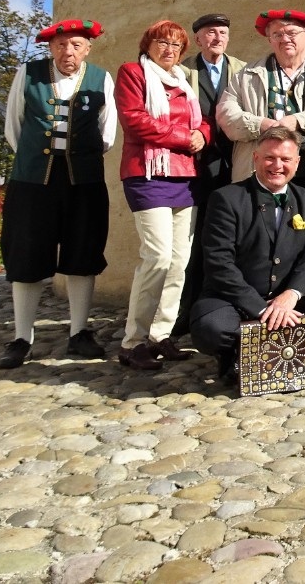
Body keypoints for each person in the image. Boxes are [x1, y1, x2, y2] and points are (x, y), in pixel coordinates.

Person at [190, 127, 305, 386]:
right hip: (236, 299)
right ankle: (235, 353)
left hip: (285, 296)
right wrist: (262, 308)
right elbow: (219, 264)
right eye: (270, 158)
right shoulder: (226, 198)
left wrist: (292, 294)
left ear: (296, 162)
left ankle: (297, 338)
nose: (277, 166)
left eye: (285, 159)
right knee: (210, 328)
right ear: (255, 158)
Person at [0, 19, 117, 369]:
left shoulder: (101, 78)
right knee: (27, 255)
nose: (69, 51)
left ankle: (79, 333)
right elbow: (14, 127)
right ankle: (22, 338)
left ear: (88, 49)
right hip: (33, 182)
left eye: (76, 45)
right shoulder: (29, 74)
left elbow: (106, 133)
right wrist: (36, 159)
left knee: (83, 252)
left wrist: (76, 158)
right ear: (51, 48)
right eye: (62, 44)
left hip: (84, 181)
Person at [114, 20, 211, 370]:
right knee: (156, 257)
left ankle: (161, 334)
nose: (169, 50)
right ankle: (133, 342)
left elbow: (201, 120)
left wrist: (202, 134)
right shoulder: (133, 73)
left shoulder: (183, 79)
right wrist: (184, 137)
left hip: (184, 176)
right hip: (147, 173)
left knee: (179, 261)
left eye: (176, 45)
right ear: (148, 44)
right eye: (162, 42)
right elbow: (135, 120)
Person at [172, 13, 245, 342]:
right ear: (198, 39)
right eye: (210, 33)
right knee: (195, 239)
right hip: (195, 166)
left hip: (235, 163)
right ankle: (187, 309)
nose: (217, 38)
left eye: (222, 32)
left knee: (234, 235)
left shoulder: (242, 70)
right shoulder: (183, 71)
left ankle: (231, 303)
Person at [218, 9, 305, 191]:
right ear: (269, 40)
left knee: (304, 210)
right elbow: (225, 113)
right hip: (256, 170)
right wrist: (260, 124)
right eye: (277, 34)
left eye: (292, 33)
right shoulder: (247, 74)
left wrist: (298, 120)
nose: (285, 39)